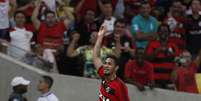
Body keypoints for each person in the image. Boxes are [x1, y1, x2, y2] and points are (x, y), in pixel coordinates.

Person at [93, 26, 130, 101]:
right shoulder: (103, 75)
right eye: (105, 63)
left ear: (116, 68)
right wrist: (100, 36)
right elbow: (95, 56)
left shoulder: (120, 86)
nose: (106, 66)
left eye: (109, 64)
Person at [146, 24, 180, 88]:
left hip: (169, 80)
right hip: (155, 80)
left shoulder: (174, 46)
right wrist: (158, 50)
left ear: (169, 33)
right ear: (158, 33)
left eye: (165, 31)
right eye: (161, 31)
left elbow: (177, 61)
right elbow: (148, 59)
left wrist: (175, 71)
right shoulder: (152, 44)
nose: (163, 33)